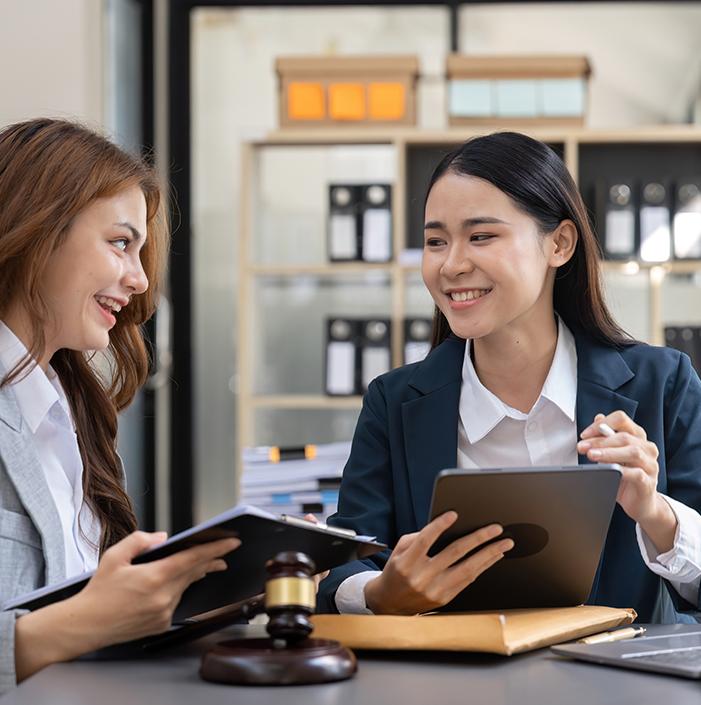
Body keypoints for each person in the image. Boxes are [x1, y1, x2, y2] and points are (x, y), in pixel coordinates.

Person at [317, 132, 701, 622]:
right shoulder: (392, 403)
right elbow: (343, 569)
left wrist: (654, 511)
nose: (451, 264)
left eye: (481, 236)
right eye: (436, 241)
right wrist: (381, 592)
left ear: (559, 244)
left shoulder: (661, 384)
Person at [0, 118, 239, 692]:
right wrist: (82, 624)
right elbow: (68, 625)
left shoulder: (69, 414)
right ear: (37, 230)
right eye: (120, 243)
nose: (138, 280)